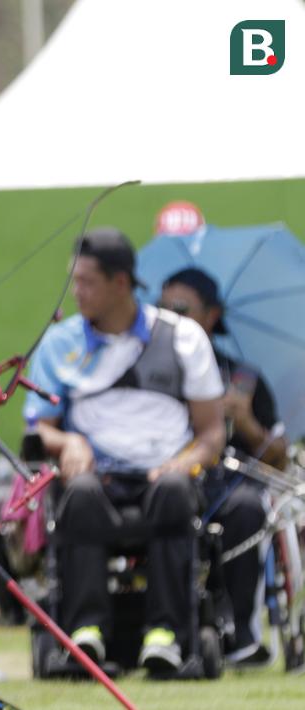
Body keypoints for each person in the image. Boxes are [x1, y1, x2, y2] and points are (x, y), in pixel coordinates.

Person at [24, 229, 226, 674]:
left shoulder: (182, 337)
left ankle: (166, 636)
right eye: (73, 281)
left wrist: (184, 462)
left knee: (176, 489)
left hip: (163, 475)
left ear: (121, 283)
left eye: (87, 282)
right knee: (77, 493)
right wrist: (69, 440)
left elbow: (211, 434)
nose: (76, 292)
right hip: (97, 478)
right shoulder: (60, 343)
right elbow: (40, 428)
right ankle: (85, 634)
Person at [160, 266, 285, 664]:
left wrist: (243, 419)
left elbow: (277, 456)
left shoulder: (243, 377)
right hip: (166, 478)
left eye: (182, 308)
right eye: (163, 310)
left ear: (212, 315)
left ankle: (242, 632)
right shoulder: (150, 370)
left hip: (227, 483)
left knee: (248, 508)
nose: (171, 318)